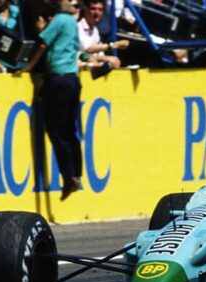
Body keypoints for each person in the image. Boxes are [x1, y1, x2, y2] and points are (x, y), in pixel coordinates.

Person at [23, 0, 83, 200]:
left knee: (56, 130)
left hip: (58, 79)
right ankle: (76, 172)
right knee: (69, 129)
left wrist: (28, 68)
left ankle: (68, 175)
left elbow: (42, 43)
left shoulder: (59, 20)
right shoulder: (72, 22)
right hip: (73, 79)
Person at [78, 0, 128, 69]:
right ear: (85, 10)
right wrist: (114, 45)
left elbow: (98, 54)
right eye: (93, 9)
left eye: (100, 10)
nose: (97, 13)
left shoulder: (95, 30)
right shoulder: (78, 27)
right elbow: (88, 49)